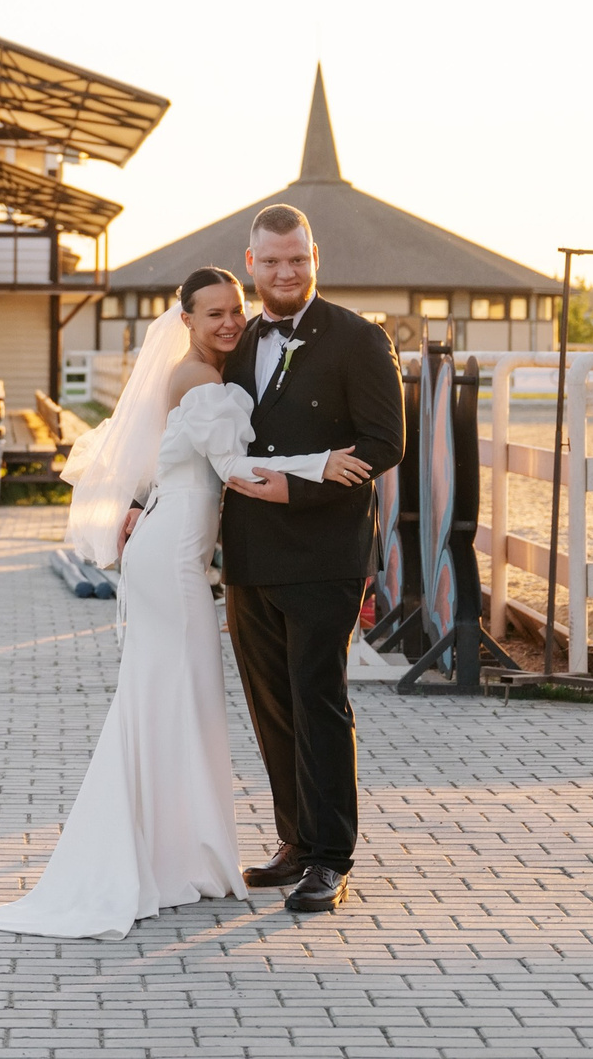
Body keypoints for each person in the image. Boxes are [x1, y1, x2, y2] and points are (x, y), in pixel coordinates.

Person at [0, 266, 373, 939]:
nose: (228, 322)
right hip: (173, 558)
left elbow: (162, 462)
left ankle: (179, 854)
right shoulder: (199, 380)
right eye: (211, 313)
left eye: (233, 309)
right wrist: (321, 463)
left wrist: (133, 502)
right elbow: (237, 472)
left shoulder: (196, 377)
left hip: (171, 548)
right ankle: (159, 857)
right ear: (185, 321)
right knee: (176, 696)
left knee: (176, 697)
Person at [206, 201, 404, 914]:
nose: (286, 271)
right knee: (270, 705)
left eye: (298, 258)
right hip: (251, 553)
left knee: (319, 701)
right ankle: (294, 838)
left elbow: (385, 444)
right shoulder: (237, 338)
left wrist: (299, 486)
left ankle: (330, 856)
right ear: (252, 262)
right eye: (272, 260)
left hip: (325, 552)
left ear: (315, 256)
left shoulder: (359, 339)